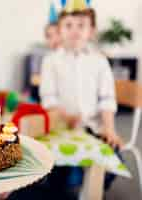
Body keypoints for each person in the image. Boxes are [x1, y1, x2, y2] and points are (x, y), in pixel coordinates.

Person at [40, 1, 123, 192]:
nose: (75, 30)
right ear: (59, 30)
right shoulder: (50, 62)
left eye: (81, 25)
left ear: (91, 31)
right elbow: (49, 99)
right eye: (68, 25)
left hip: (94, 127)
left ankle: (93, 189)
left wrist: (109, 129)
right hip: (60, 128)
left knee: (112, 161)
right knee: (54, 171)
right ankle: (60, 187)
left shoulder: (100, 61)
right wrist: (65, 116)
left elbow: (107, 100)